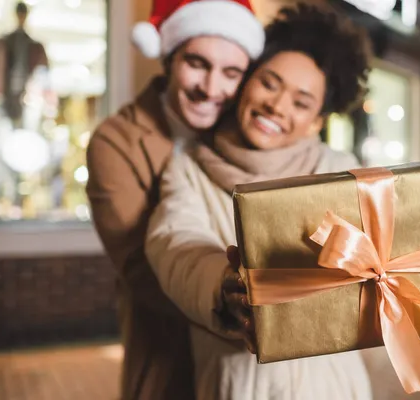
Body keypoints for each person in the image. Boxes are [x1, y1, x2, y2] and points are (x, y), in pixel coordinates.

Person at [145, 5, 374, 399]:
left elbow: (383, 258)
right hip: (234, 385)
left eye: (301, 103)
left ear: (316, 121)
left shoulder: (339, 171)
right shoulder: (189, 166)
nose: (277, 105)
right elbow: (175, 243)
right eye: (270, 83)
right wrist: (222, 287)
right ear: (248, 82)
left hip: (331, 385)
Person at [85, 0, 264, 398]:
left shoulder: (249, 129)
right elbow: (140, 270)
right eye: (197, 63)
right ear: (169, 57)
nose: (211, 88)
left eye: (231, 72)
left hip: (255, 370)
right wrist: (230, 301)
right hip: (172, 352)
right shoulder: (116, 142)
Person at [0, 2, 48, 125]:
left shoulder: (35, 47)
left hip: (27, 96)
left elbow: (43, 73)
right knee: (3, 128)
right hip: (4, 95)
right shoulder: (2, 43)